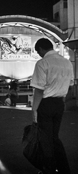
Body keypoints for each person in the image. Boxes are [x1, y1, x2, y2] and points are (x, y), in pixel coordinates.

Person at [30, 38, 74, 174]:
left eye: (38, 52)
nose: (39, 54)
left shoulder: (42, 63)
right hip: (59, 104)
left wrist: (34, 110)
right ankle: (63, 169)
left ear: (42, 49)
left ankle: (48, 170)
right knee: (54, 138)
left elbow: (39, 90)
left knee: (45, 139)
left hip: (46, 104)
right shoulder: (67, 63)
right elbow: (71, 85)